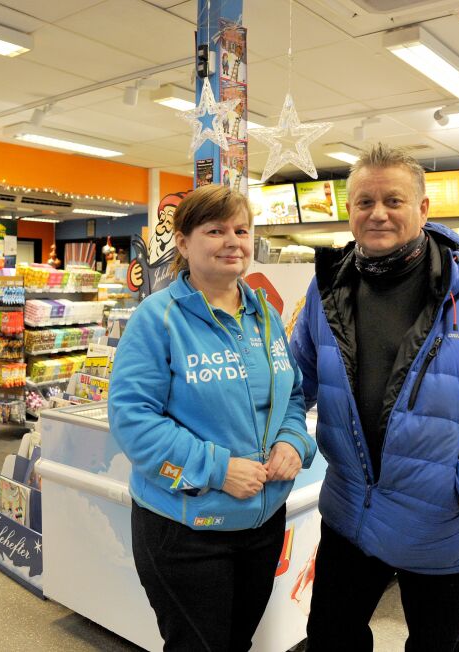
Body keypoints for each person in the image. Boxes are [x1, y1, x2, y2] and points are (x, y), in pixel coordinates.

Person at [290, 145, 459, 651]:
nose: (378, 213)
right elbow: (292, 380)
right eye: (365, 201)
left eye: (394, 200)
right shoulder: (329, 291)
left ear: (423, 209)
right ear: (350, 212)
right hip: (349, 513)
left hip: (443, 522)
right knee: (329, 639)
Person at [108, 183, 316, 652]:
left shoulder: (263, 315)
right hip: (185, 529)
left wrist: (292, 441)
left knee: (236, 643)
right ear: (183, 242)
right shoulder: (157, 318)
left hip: (261, 525)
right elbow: (132, 419)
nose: (232, 241)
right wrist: (218, 469)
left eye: (241, 230)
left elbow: (292, 396)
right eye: (215, 230)